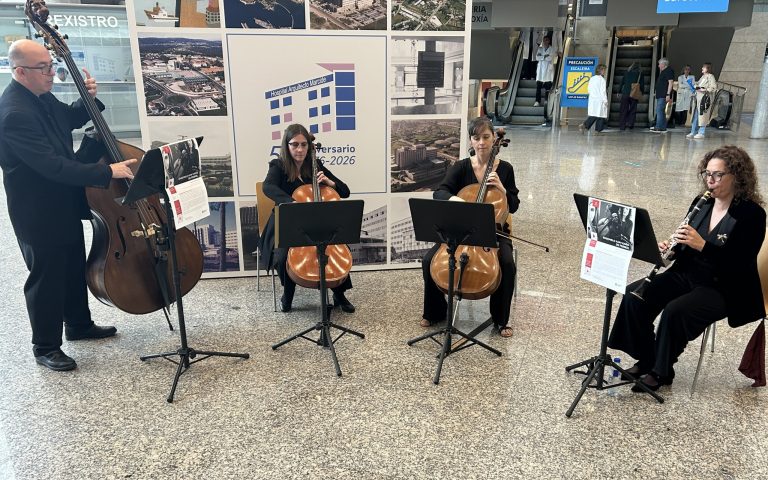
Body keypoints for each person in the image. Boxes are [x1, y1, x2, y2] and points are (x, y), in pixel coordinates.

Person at [0, 39, 137, 371]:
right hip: (38, 209)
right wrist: (107, 171)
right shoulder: (14, 113)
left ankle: (78, 324)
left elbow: (69, 118)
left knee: (73, 261)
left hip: (63, 199)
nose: (52, 72)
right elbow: (51, 166)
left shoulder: (40, 96)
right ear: (20, 72)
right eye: (44, 68)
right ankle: (45, 346)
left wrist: (87, 99)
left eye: (51, 64)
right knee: (47, 275)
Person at [608, 145, 765, 392]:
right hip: (686, 273)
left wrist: (703, 246)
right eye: (707, 173)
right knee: (634, 297)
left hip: (723, 285)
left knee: (675, 311)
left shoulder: (752, 214)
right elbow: (685, 245)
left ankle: (661, 372)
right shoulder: (701, 203)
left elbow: (739, 263)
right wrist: (671, 250)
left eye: (717, 175)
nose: (710, 181)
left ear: (736, 176)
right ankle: (647, 359)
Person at [420, 117, 520, 338]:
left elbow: (514, 206)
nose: (482, 143)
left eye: (486, 137)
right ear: (471, 141)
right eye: (477, 138)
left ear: (495, 139)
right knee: (429, 260)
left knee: (507, 264)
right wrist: (459, 202)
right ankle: (434, 311)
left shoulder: (505, 169)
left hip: (493, 232)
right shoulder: (461, 166)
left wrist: (503, 189)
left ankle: (501, 319)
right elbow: (440, 192)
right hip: (460, 229)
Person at [259, 123, 355, 313]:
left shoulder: (315, 165)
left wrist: (329, 182)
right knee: (282, 256)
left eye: (304, 145)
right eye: (295, 144)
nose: (300, 149)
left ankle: (339, 293)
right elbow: (267, 187)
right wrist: (291, 203)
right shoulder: (278, 166)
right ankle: (288, 293)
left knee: (335, 246)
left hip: (314, 222)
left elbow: (345, 192)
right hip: (286, 221)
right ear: (287, 146)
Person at [687, 62, 718, 140]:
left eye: (703, 67)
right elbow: (699, 84)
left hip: (704, 100)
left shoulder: (710, 76)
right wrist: (695, 85)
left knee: (703, 115)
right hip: (698, 99)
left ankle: (701, 132)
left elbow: (713, 87)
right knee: (695, 115)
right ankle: (693, 131)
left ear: (708, 68)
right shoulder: (703, 76)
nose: (702, 68)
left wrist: (705, 89)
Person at [579, 64, 608, 135]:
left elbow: (588, 89)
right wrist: (605, 100)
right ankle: (596, 130)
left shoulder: (592, 78)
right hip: (600, 99)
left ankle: (585, 126)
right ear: (600, 70)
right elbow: (603, 91)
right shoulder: (602, 80)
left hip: (592, 99)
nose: (604, 71)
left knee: (594, 114)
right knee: (600, 115)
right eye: (604, 70)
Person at [650, 58, 674, 133]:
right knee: (661, 110)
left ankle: (658, 126)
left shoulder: (668, 71)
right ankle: (662, 127)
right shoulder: (664, 71)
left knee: (659, 110)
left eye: (659, 64)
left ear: (663, 64)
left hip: (663, 94)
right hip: (661, 94)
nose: (658, 66)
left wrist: (668, 94)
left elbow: (671, 82)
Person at [618, 62, 642, 130]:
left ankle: (622, 126)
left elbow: (622, 82)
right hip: (634, 94)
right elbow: (642, 84)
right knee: (633, 109)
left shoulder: (626, 72)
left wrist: (619, 91)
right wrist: (641, 92)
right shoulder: (640, 74)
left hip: (625, 93)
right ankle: (630, 124)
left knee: (623, 110)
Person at [533, 36, 554, 107]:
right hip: (541, 70)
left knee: (547, 88)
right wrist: (544, 56)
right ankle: (537, 101)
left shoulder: (552, 49)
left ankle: (547, 102)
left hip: (548, 70)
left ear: (549, 41)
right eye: (544, 40)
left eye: (546, 40)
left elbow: (550, 58)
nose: (545, 42)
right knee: (538, 87)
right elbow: (537, 57)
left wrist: (542, 57)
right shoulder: (540, 49)